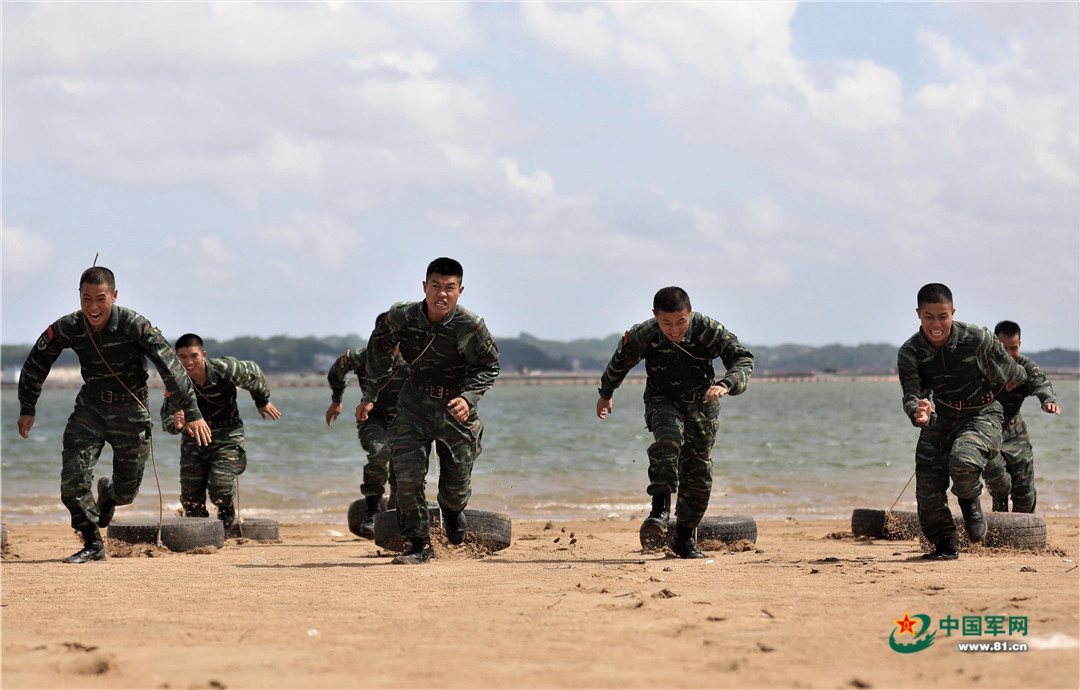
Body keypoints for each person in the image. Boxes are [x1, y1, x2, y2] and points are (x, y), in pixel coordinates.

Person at [16, 266, 212, 563]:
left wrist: (193, 411)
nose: (93, 307)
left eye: (100, 298)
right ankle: (93, 543)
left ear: (114, 296)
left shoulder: (135, 325)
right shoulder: (69, 326)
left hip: (131, 409)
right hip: (90, 407)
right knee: (72, 481)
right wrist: (27, 407)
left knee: (126, 493)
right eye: (86, 299)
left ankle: (108, 495)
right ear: (79, 297)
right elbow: (36, 362)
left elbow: (170, 367)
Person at [356, 257, 499, 565]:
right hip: (413, 403)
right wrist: (370, 394)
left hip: (455, 408)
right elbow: (378, 350)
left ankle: (451, 511)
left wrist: (469, 397)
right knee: (407, 476)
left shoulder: (471, 326)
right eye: (435, 286)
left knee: (455, 486)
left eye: (449, 288)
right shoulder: (401, 316)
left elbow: (489, 366)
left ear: (460, 290)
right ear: (424, 287)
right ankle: (419, 544)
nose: (442, 294)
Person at [596, 286, 754, 559]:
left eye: (681, 321)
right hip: (662, 399)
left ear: (689, 313)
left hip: (703, 404)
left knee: (698, 472)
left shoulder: (707, 329)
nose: (674, 329)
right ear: (655, 316)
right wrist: (606, 393)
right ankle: (660, 508)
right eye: (666, 323)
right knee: (669, 439)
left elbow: (742, 358)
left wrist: (727, 384)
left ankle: (683, 538)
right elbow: (621, 360)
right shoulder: (644, 333)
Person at [897, 283, 1026, 560]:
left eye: (942, 316)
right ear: (918, 314)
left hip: (981, 414)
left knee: (963, 459)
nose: (936, 324)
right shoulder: (910, 351)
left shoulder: (977, 338)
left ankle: (969, 501)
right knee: (928, 485)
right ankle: (946, 545)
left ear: (952, 312)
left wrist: (999, 366)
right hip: (940, 417)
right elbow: (912, 393)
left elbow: (1014, 375)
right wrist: (918, 411)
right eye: (929, 317)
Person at [161, 334, 281, 529]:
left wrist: (262, 401)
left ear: (204, 354)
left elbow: (254, 372)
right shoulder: (176, 381)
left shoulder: (225, 368)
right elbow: (167, 419)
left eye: (194, 356)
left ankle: (226, 517)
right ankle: (199, 531)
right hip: (194, 439)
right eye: (182, 357)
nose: (189, 362)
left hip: (227, 433)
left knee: (220, 487)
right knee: (191, 498)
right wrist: (176, 423)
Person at [325, 313, 409, 539]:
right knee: (380, 454)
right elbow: (339, 368)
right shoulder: (363, 356)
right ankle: (372, 512)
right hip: (373, 418)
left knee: (404, 469)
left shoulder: (413, 357)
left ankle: (395, 511)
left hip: (406, 420)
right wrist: (337, 400)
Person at [986, 320, 1060, 513]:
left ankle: (1026, 528)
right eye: (1003, 348)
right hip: (986, 429)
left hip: (1014, 430)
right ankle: (1000, 525)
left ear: (1020, 345)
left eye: (1014, 348)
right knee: (998, 482)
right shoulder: (982, 364)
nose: (1009, 354)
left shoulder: (1024, 365)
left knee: (1025, 491)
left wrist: (1047, 400)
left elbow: (1040, 382)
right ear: (995, 344)